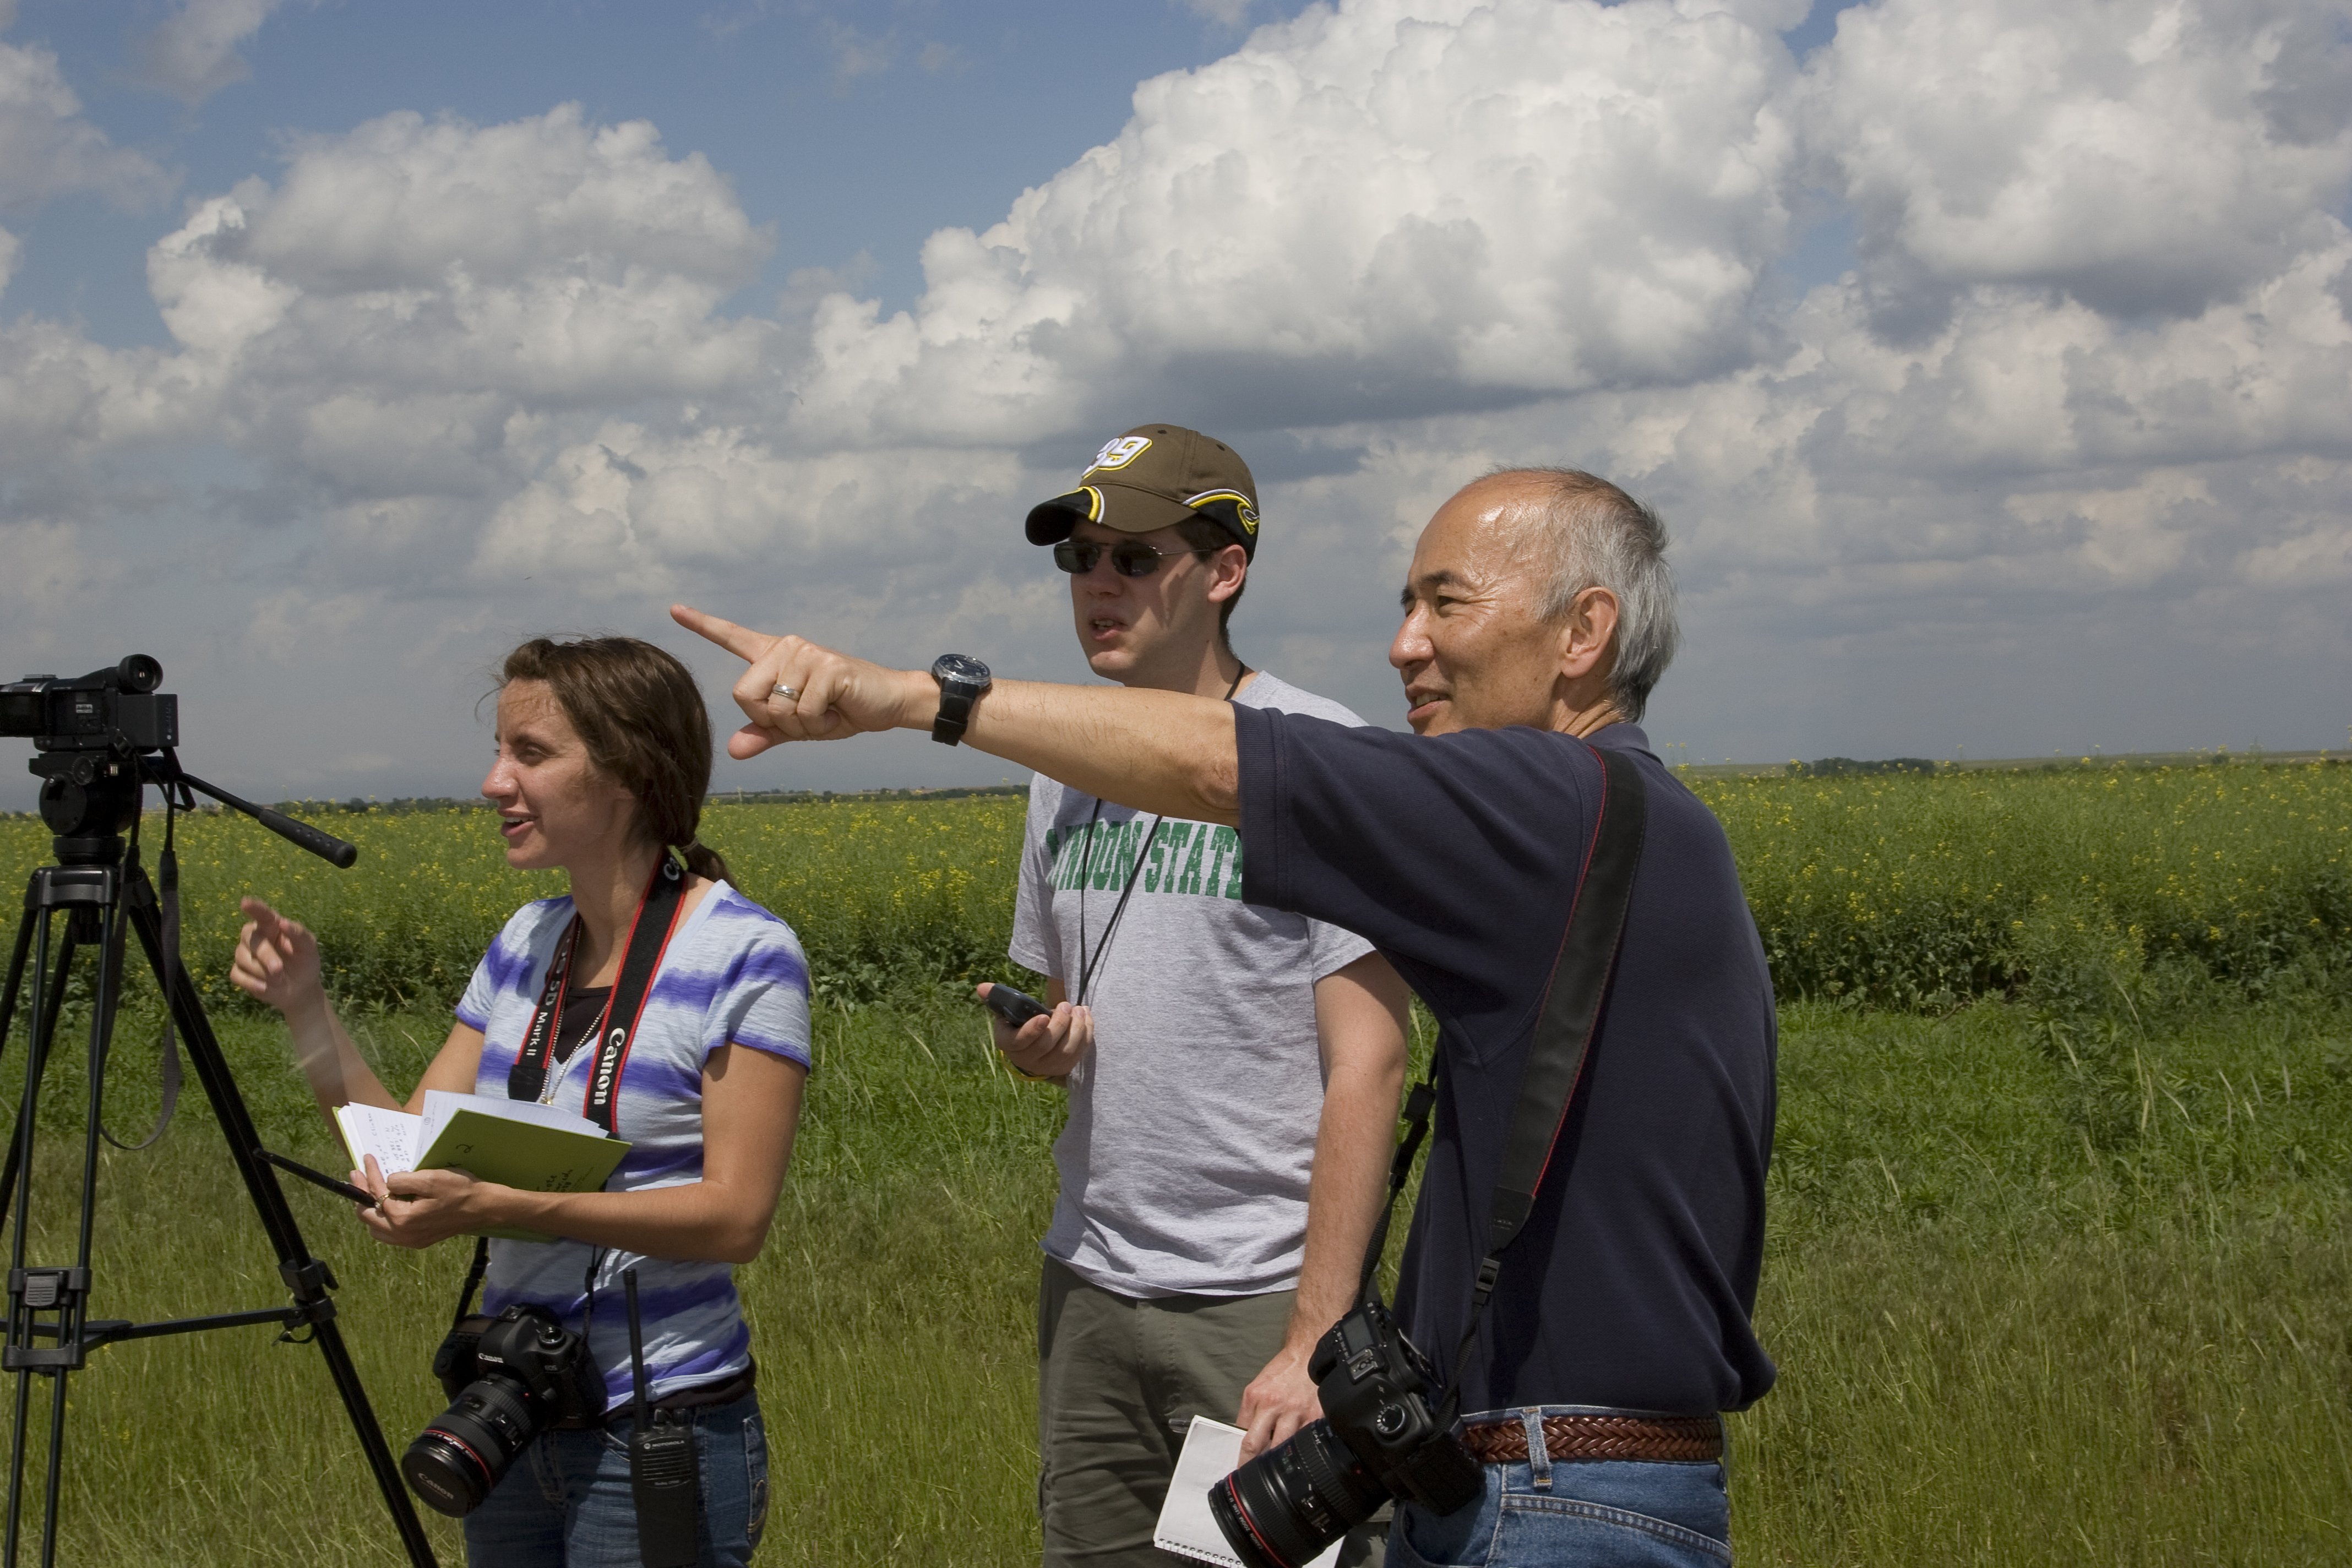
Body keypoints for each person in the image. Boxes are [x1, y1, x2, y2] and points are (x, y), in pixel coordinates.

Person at [673, 464, 1777, 1568]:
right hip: (1532, 1468)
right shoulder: (1619, 824)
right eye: (1406, 604)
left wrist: (914, 697)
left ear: (1585, 629)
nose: (1404, 643)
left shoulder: (1558, 803)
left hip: (1560, 1493)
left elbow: (1218, 763)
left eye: (1446, 602)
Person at [231, 635, 811, 1568]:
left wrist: (504, 1209)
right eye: (500, 751)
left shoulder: (743, 952)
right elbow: (409, 1142)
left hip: (660, 1425)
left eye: (530, 755)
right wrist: (307, 1009)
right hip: (514, 1412)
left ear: (628, 769)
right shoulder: (526, 939)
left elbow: (736, 1216)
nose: (495, 783)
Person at [986, 424, 1411, 1566]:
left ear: (1224, 570)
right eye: (1080, 560)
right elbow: (1079, 1004)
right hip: (1091, 1284)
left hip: (1257, 1298)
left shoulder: (1318, 755)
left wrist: (1314, 1334)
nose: (1100, 585)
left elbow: (1370, 1062)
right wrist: (1044, 1045)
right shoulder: (1059, 765)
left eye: (1135, 556)